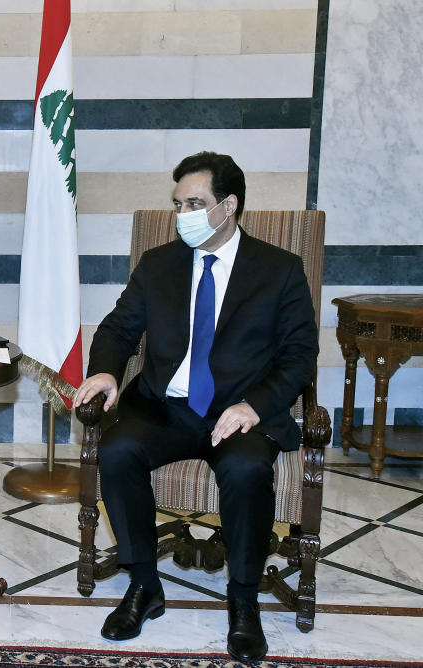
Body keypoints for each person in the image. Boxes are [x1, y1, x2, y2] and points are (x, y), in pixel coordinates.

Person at [73, 152, 318, 662]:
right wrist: (104, 371)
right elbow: (119, 330)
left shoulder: (279, 270)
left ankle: (244, 602)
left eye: (195, 203)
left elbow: (300, 356)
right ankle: (144, 585)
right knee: (116, 451)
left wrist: (255, 406)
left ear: (228, 206)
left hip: (239, 412)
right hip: (166, 406)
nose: (182, 212)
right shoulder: (159, 265)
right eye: (178, 203)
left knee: (249, 468)